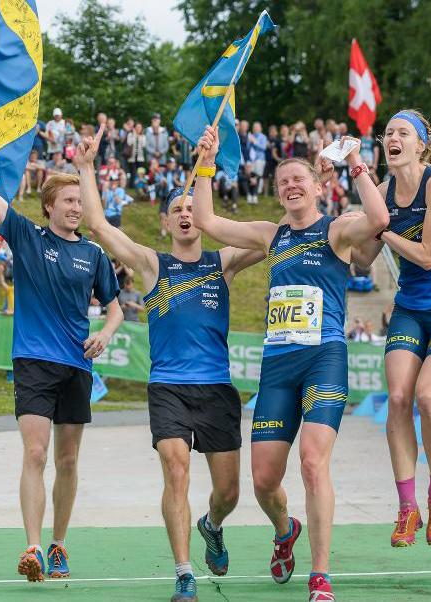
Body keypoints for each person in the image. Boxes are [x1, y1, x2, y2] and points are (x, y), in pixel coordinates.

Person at [192, 123, 389, 602]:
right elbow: (207, 221)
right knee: (263, 480)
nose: (291, 186)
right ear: (277, 193)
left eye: (299, 179)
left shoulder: (337, 229)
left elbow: (379, 218)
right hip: (278, 365)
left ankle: (319, 575)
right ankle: (285, 530)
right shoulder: (270, 233)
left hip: (324, 358)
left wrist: (358, 164)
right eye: (283, 183)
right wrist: (205, 161)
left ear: (318, 186)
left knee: (313, 463)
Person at [74, 131, 264, 602]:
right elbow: (98, 224)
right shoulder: (151, 264)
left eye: (189, 208)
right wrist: (85, 167)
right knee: (175, 469)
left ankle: (212, 525)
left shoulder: (224, 262)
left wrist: (208, 165)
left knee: (229, 493)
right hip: (168, 388)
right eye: (176, 210)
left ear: (201, 217)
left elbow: (279, 235)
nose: (184, 214)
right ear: (165, 222)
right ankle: (184, 573)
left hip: (217, 388)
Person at [0, 101, 123, 583]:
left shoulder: (95, 255)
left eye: (81, 202)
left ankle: (59, 544)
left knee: (68, 459)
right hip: (34, 361)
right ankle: (33, 547)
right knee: (35, 454)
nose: (76, 208)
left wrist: (105, 332)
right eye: (69, 202)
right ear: (50, 206)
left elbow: (115, 306)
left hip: (76, 365)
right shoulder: (27, 235)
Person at [350, 110, 431, 550]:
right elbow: (362, 260)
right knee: (399, 398)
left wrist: (382, 230)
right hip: (410, 308)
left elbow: (426, 256)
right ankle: (407, 507)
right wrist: (352, 223)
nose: (393, 138)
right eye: (388, 133)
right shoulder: (382, 191)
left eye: (403, 132)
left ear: (421, 144)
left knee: (427, 395)